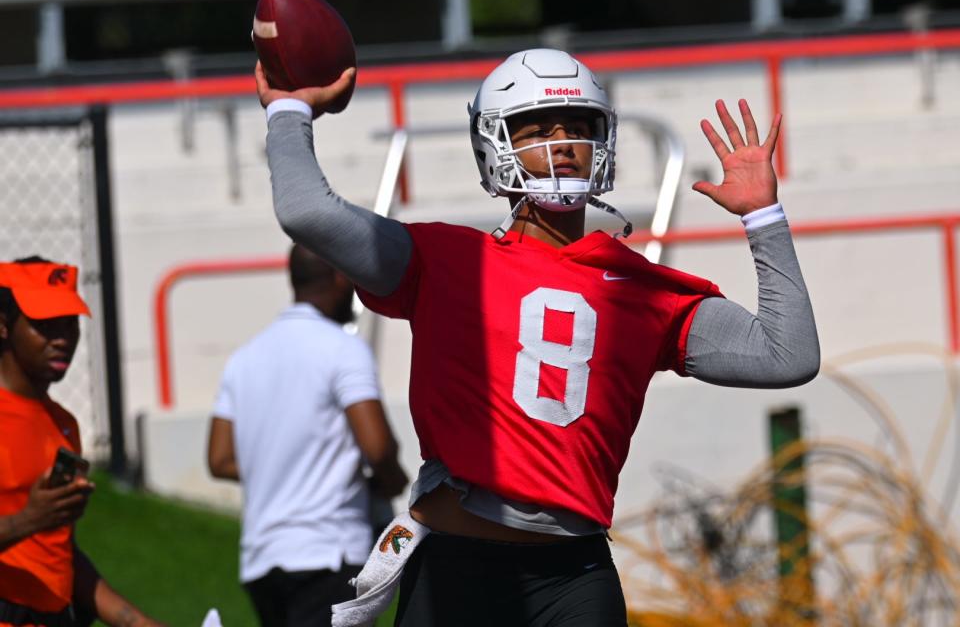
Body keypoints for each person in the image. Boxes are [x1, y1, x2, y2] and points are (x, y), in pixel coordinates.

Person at [255, 47, 819, 627]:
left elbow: (788, 355)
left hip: (572, 577)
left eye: (578, 126)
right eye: (536, 128)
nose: (563, 141)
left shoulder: (644, 287)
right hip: (457, 568)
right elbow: (306, 212)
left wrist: (763, 217)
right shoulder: (444, 259)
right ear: (496, 144)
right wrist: (289, 109)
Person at [207, 244, 408, 627]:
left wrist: (281, 469)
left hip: (261, 560)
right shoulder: (344, 350)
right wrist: (391, 482)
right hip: (328, 551)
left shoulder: (243, 360)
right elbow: (378, 449)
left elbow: (219, 460)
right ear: (339, 278)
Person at [0, 257, 163, 627]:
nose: (62, 339)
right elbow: (33, 526)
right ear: (3, 327)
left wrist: (135, 622)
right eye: (45, 324)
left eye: (70, 322)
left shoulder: (64, 424)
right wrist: (28, 519)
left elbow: (58, 552)